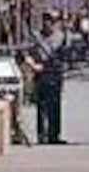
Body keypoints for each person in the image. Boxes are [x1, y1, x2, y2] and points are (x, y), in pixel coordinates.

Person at [26, 13, 68, 144]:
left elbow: (57, 54)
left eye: (50, 21)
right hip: (41, 75)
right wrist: (32, 64)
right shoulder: (36, 37)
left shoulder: (59, 36)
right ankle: (42, 135)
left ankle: (54, 135)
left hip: (54, 74)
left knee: (55, 106)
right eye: (45, 21)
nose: (47, 24)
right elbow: (27, 53)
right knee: (42, 107)